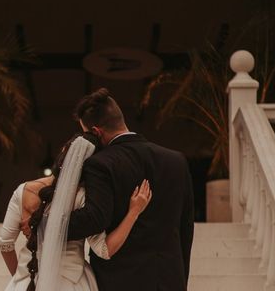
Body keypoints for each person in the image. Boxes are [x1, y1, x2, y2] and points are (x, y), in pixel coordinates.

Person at [67, 88, 195, 291]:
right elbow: (186, 226)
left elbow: (95, 219)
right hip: (169, 277)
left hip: (119, 280)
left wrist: (49, 222)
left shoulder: (100, 164)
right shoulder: (176, 161)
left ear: (96, 132)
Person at [0, 132, 152, 291]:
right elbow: (105, 250)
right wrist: (134, 212)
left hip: (26, 282)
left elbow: (5, 243)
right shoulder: (83, 198)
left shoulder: (23, 190)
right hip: (72, 283)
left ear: (64, 151)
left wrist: (19, 277)